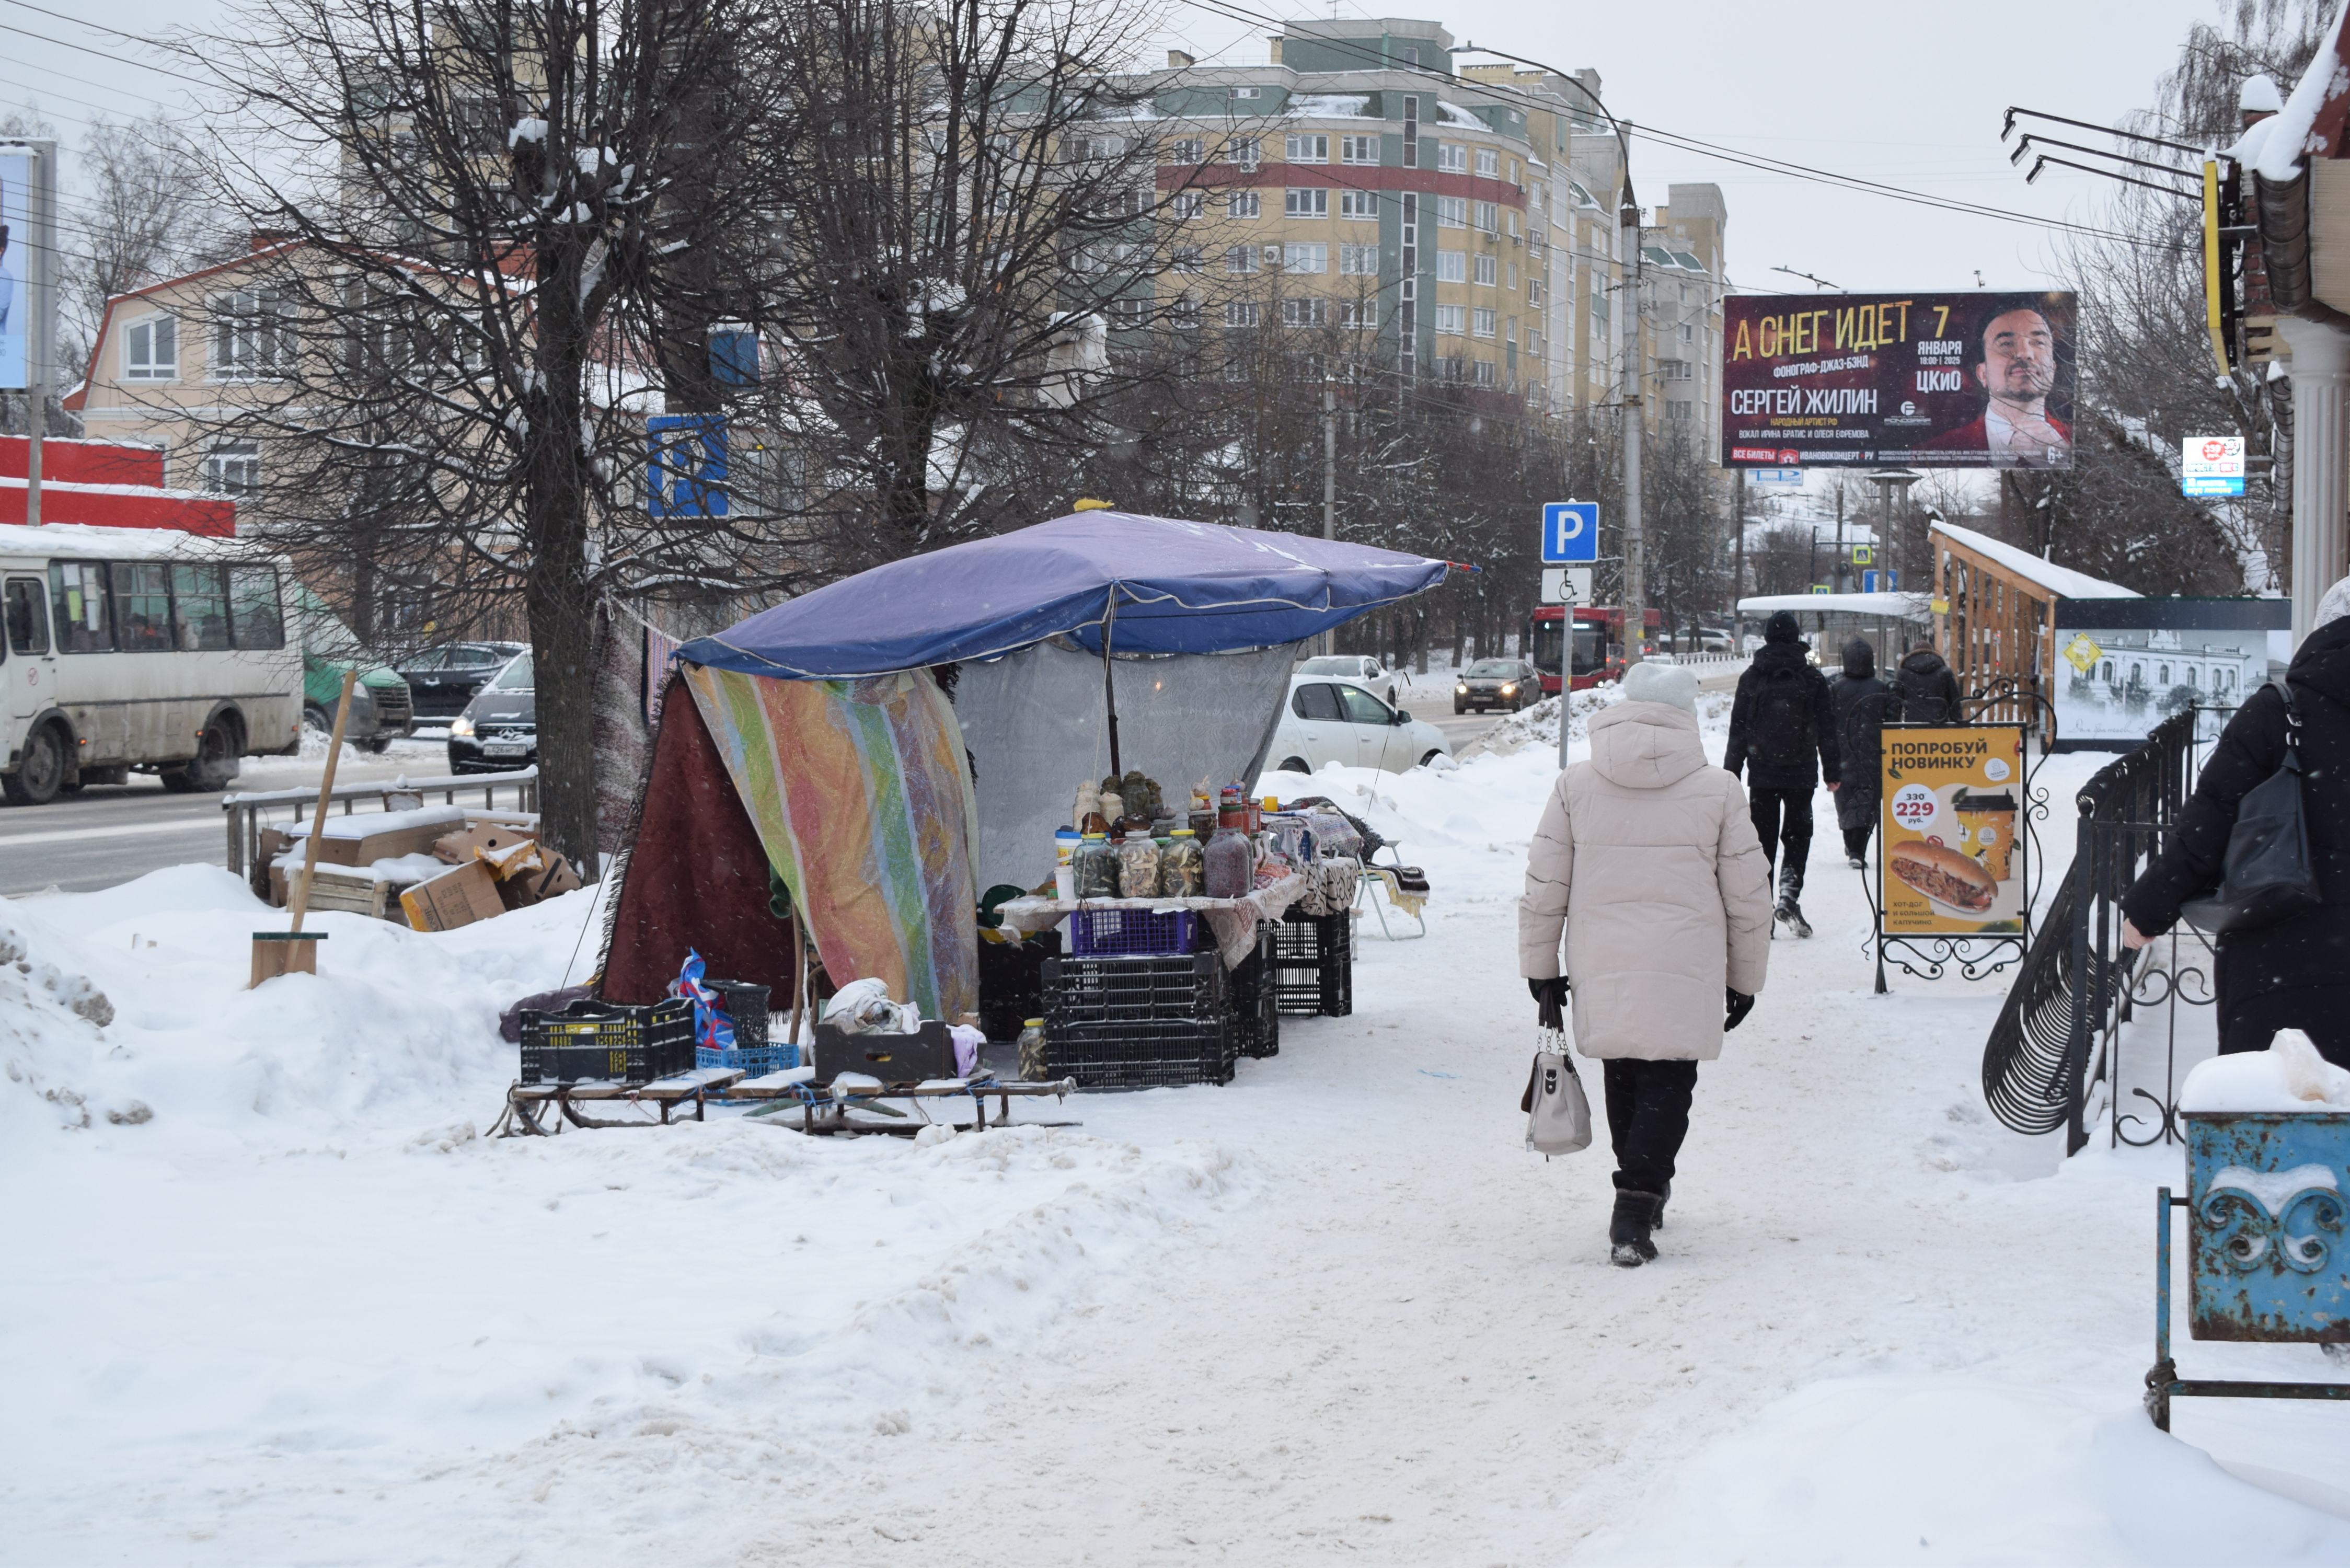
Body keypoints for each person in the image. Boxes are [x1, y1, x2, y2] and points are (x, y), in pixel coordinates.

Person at [1520, 661, 1772, 1267]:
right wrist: (1745, 979)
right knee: (1669, 1080)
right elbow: (1748, 894)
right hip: (1685, 959)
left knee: (1624, 1069)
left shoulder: (1575, 784)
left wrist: (1539, 964)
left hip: (1600, 955)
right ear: (1686, 716)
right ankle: (1635, 1205)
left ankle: (1640, 1184)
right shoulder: (1718, 789)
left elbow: (1544, 880)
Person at [2119, 575, 2350, 1067]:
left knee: (2279, 1116)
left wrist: (2149, 909)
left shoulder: (2280, 713)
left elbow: (2209, 825)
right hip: (2292, 954)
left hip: (2284, 955)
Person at [1724, 610, 1841, 937]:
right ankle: (1789, 895)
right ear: (1795, 638)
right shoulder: (1812, 678)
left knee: (1762, 841)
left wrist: (1731, 773)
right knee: (1798, 835)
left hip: (1762, 773)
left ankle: (1763, 909)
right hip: (1801, 772)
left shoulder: (1753, 677)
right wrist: (1833, 769)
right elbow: (1828, 729)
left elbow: (1738, 730)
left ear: (1766, 638)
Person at [1918, 299, 2072, 467]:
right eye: (2006, 344)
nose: (2025, 353)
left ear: (2053, 368)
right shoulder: (1934, 452)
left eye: (2038, 342)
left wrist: (2062, 461)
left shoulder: (2078, 444)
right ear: (1982, 374)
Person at [1828, 637, 1890, 869]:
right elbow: (1891, 721)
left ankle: (1850, 843)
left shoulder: (1836, 688)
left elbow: (1829, 722)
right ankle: (1858, 849)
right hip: (1874, 756)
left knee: (1844, 801)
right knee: (1868, 801)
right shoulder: (1881, 688)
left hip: (1844, 755)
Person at [1891, 639, 1963, 723]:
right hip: (1940, 724)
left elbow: (1895, 704)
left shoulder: (1903, 673)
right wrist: (1957, 723)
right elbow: (1954, 703)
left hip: (1913, 725)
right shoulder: (1945, 672)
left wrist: (1892, 725)